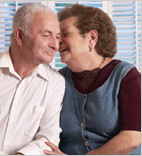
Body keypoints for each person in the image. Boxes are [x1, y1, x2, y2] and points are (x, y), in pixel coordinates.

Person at [0, 3, 65, 155]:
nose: (55, 45)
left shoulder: (56, 82)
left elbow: (49, 135)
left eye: (57, 37)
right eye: (46, 35)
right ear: (20, 36)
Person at [44, 4, 141, 155]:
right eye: (57, 37)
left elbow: (132, 137)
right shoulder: (58, 79)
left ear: (92, 38)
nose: (58, 42)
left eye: (65, 34)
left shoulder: (127, 76)